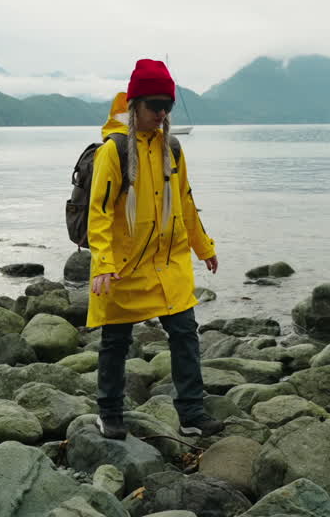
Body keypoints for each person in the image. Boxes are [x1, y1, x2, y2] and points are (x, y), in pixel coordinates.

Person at [86, 58, 223, 440]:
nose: (161, 113)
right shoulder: (113, 152)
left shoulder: (173, 148)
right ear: (134, 105)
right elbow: (98, 214)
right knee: (115, 341)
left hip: (169, 262)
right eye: (154, 106)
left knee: (185, 333)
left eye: (168, 106)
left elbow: (187, 203)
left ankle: (192, 413)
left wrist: (204, 247)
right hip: (124, 265)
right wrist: (102, 266)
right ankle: (109, 412)